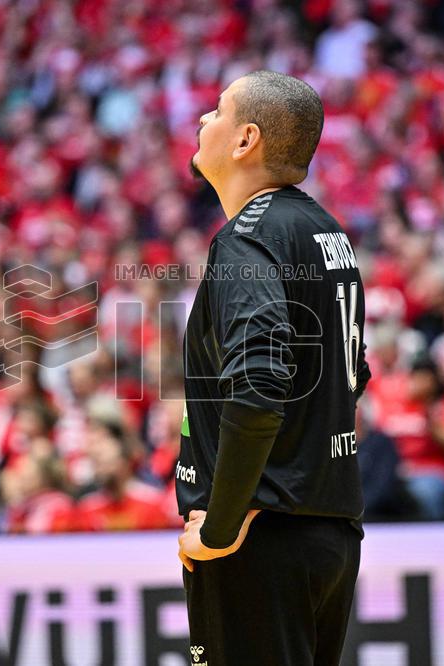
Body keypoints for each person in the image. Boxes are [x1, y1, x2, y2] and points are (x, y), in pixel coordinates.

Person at [176, 71, 369, 665]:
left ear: (245, 141)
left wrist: (221, 523)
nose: (204, 120)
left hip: (260, 539)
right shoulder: (326, 231)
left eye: (217, 111)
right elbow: (353, 376)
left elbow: (259, 383)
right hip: (326, 530)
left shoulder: (246, 239)